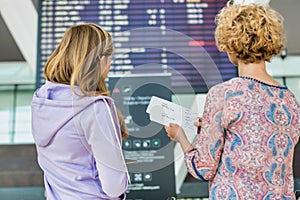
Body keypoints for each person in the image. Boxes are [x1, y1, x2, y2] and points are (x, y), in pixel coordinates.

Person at [165, 3, 299, 199]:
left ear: (230, 44)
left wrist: (181, 137)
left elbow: (204, 168)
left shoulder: (224, 94)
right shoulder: (289, 98)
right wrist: (213, 130)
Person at [31, 23, 129, 199]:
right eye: (109, 58)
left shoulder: (41, 99)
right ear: (101, 61)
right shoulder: (94, 108)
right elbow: (114, 186)